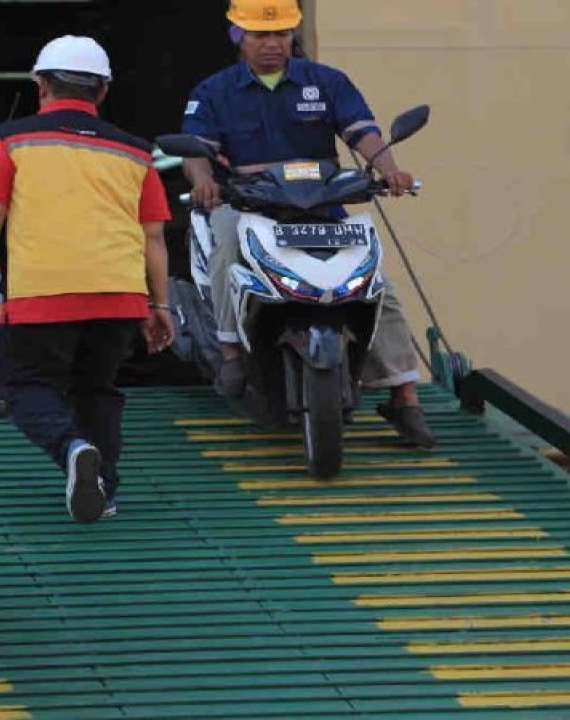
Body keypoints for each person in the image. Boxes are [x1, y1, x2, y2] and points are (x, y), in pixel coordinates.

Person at [180, 0, 435, 448]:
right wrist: (204, 182)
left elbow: (362, 132)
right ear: (238, 36)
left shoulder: (327, 82)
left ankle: (404, 395)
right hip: (249, 205)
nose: (272, 44)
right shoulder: (214, 90)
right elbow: (196, 151)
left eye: (280, 34)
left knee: (375, 284)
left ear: (292, 35)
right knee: (223, 247)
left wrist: (389, 168)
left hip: (322, 206)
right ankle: (230, 352)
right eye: (261, 35)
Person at [0, 35, 175, 524]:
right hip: (120, 295)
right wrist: (160, 305)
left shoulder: (13, 138)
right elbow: (154, 236)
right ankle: (106, 491)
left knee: (23, 385)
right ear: (102, 92)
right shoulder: (136, 151)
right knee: (96, 388)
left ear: (41, 84)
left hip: (43, 293)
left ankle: (72, 448)